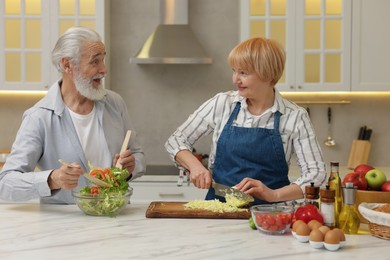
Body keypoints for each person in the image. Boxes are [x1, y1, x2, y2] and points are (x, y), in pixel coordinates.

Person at [165, 37, 326, 204]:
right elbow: (175, 141)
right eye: (234, 71)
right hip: (219, 209)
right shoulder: (222, 103)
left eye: (243, 73)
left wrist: (274, 195)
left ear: (269, 75)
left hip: (272, 216)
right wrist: (195, 166)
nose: (235, 79)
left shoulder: (295, 116)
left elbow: (317, 174)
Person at [0, 26, 145, 204]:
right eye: (95, 61)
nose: (104, 69)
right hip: (65, 226)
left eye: (103, 59)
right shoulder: (38, 117)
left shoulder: (115, 103)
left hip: (114, 218)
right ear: (67, 65)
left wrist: (130, 167)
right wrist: (52, 179)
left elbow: (137, 155)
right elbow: (5, 184)